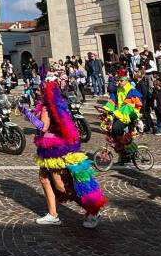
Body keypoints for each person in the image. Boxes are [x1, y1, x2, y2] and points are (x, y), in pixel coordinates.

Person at [28, 77, 105, 228]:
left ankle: (93, 211)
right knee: (44, 179)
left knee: (61, 186)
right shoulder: (58, 104)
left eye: (38, 89)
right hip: (48, 149)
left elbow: (43, 126)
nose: (36, 91)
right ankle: (52, 214)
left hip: (54, 150)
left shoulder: (46, 106)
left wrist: (28, 114)